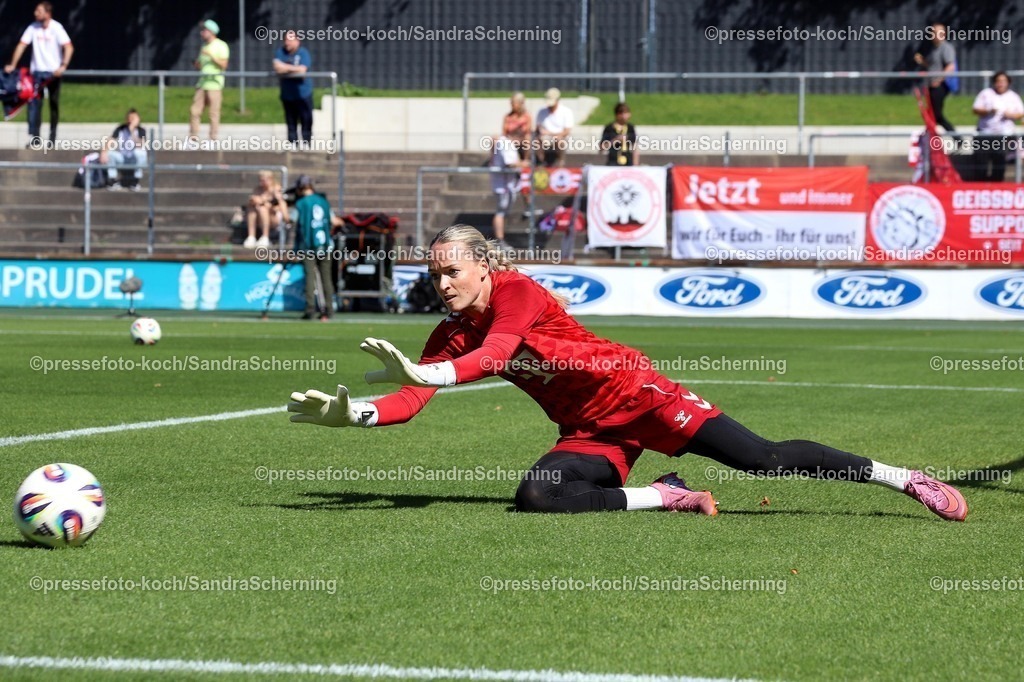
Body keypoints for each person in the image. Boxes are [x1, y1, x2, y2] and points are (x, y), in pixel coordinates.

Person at [288, 224, 969, 522]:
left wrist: (438, 375)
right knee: (537, 498)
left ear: (485, 268)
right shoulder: (450, 333)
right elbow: (410, 394)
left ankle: (904, 478)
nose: (440, 283)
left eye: (451, 271)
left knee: (761, 459)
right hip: (589, 424)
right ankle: (666, 497)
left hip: (638, 396)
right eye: (433, 273)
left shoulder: (517, 293)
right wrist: (361, 414)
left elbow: (495, 355)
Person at [4, 2, 73, 147]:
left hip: (54, 73)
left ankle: (52, 139)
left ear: (48, 13)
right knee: (35, 105)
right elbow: (22, 45)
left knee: (53, 104)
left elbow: (68, 47)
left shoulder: (56, 28)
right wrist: (13, 64)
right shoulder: (33, 28)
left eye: (39, 11)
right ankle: (35, 139)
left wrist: (63, 66)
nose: (36, 13)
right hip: (37, 73)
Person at [290, 175, 338, 320]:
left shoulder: (301, 204)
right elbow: (334, 220)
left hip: (308, 246)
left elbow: (290, 220)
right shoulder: (323, 201)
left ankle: (310, 309)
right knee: (326, 278)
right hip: (326, 245)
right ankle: (328, 309)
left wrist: (280, 204)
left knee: (310, 277)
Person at [972, 71, 1024, 182]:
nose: (1000, 84)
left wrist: (1011, 115)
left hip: (1003, 135)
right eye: (998, 81)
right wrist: (989, 111)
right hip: (985, 133)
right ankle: (981, 185)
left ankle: (997, 184)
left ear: (1008, 83)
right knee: (981, 163)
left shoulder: (1013, 97)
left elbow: (1021, 113)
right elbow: (975, 109)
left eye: (1003, 81)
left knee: (999, 162)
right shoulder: (986, 93)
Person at [189, 19, 229, 142]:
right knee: (194, 111)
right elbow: (202, 65)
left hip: (215, 84)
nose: (202, 33)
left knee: (213, 113)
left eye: (204, 30)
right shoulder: (204, 46)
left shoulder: (221, 45)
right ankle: (193, 138)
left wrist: (211, 56)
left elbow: (223, 64)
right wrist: (197, 64)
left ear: (211, 32)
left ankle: (213, 139)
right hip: (202, 83)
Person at [914, 22, 956, 132]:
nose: (933, 35)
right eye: (932, 33)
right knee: (931, 114)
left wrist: (939, 80)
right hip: (931, 85)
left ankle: (957, 138)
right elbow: (931, 66)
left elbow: (950, 66)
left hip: (940, 86)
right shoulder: (933, 49)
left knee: (937, 115)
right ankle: (931, 139)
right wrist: (922, 61)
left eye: (936, 33)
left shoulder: (946, 48)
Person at [273, 30, 313, 146]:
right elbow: (277, 67)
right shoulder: (280, 52)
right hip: (287, 94)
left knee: (306, 119)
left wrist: (285, 67)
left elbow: (302, 70)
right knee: (291, 121)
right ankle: (292, 144)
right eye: (286, 40)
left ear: (297, 40)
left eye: (290, 40)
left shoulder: (303, 53)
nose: (287, 43)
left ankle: (306, 142)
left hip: (303, 93)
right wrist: (294, 68)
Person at [489, 135, 526, 249]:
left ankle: (500, 240)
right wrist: (524, 163)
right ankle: (499, 241)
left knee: (503, 212)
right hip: (503, 185)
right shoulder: (505, 143)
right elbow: (510, 163)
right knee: (501, 212)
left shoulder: (504, 143)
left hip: (506, 184)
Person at [244, 170, 287, 248]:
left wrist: (264, 202)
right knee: (251, 209)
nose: (261, 182)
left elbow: (280, 206)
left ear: (270, 179)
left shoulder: (276, 189)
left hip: (274, 217)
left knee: (263, 208)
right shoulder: (257, 189)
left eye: (263, 180)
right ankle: (251, 237)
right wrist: (254, 201)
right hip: (260, 217)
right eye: (260, 180)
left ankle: (265, 237)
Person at [107, 108, 147, 191]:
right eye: (130, 118)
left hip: (134, 159)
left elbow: (140, 144)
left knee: (140, 153)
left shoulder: (141, 130)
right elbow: (110, 141)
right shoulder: (120, 129)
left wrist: (132, 130)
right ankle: (113, 181)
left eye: (134, 118)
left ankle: (135, 181)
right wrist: (104, 152)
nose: (131, 120)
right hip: (122, 157)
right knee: (109, 153)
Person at [535, 87, 574, 167]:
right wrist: (542, 133)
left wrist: (551, 134)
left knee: (559, 140)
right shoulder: (542, 112)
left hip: (559, 137)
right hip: (545, 137)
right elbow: (538, 127)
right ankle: (541, 162)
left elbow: (566, 131)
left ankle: (561, 162)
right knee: (537, 141)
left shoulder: (566, 112)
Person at [502, 92, 531, 161]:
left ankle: (525, 160)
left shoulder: (527, 116)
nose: (511, 105)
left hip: (521, 138)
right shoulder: (508, 117)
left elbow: (527, 130)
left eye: (513, 103)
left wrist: (517, 131)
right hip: (510, 138)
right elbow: (504, 132)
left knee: (528, 138)